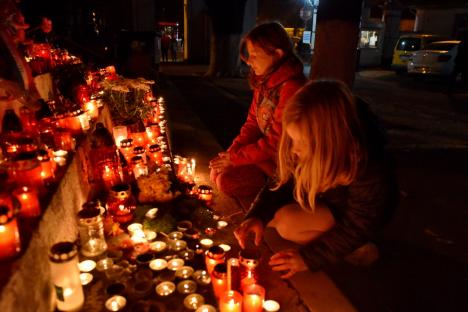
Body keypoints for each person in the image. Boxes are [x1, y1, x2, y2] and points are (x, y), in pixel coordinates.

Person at [234, 80, 398, 277]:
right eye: (292, 139)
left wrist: (308, 258)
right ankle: (334, 243)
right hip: (326, 201)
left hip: (355, 218)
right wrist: (257, 215)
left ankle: (356, 249)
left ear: (328, 140)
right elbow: (280, 181)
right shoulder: (305, 145)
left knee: (287, 224)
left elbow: (359, 223)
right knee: (271, 220)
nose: (294, 148)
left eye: (301, 142)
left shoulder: (367, 163)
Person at [209, 22, 306, 207]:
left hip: (284, 162)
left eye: (254, 55)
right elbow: (252, 124)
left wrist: (235, 159)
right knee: (217, 172)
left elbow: (277, 141)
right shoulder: (264, 82)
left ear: (277, 54)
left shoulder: (292, 88)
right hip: (262, 156)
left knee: (226, 181)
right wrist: (229, 153)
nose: (249, 61)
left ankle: (283, 189)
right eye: (248, 55)